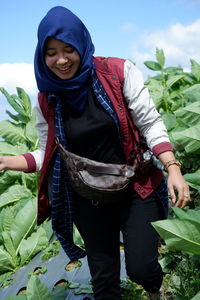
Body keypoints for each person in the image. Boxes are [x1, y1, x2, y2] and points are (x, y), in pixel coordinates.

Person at [0, 6, 191, 300]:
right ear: (42, 54)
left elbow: (150, 123)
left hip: (135, 187)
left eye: (68, 49)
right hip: (89, 196)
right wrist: (6, 161)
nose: (61, 60)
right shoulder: (46, 98)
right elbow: (47, 153)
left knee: (142, 268)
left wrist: (172, 167)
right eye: (51, 52)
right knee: (104, 280)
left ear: (81, 44)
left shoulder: (117, 73)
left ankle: (155, 291)